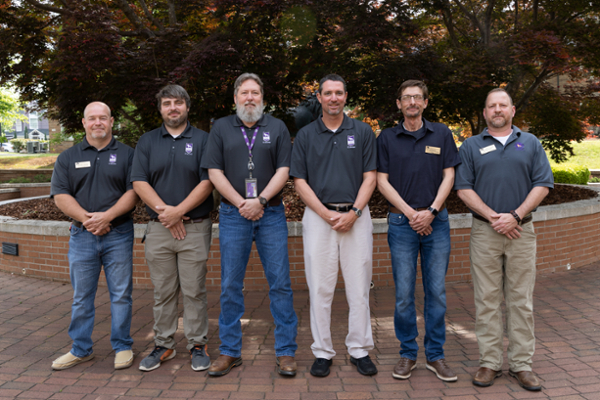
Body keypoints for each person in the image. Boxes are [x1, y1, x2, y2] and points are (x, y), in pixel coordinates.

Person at [455, 88, 553, 391]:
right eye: (491, 106)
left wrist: (516, 216)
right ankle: (490, 362)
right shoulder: (470, 146)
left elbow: (543, 184)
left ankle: (522, 364)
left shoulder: (530, 142)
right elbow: (463, 188)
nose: (497, 110)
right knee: (486, 300)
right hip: (485, 232)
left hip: (521, 231)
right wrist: (495, 218)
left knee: (521, 300)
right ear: (485, 113)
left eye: (502, 105)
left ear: (512, 110)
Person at [202, 73, 298, 377]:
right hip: (234, 215)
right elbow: (214, 171)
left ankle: (286, 351)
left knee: (280, 284)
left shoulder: (277, 127)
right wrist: (242, 203)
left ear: (263, 98)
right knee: (230, 284)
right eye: (244, 93)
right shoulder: (221, 128)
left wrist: (262, 200)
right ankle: (230, 351)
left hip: (271, 214)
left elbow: (284, 169)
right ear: (235, 98)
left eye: (255, 92)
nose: (250, 98)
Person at [290, 74, 378, 377]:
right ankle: (322, 351)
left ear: (346, 96)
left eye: (339, 93)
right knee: (320, 288)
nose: (333, 98)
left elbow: (370, 177)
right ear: (319, 97)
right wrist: (326, 215)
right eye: (327, 93)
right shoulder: (305, 135)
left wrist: (354, 212)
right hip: (319, 219)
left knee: (359, 288)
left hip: (356, 218)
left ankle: (359, 349)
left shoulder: (362, 131)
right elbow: (299, 181)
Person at [377, 80, 461, 381]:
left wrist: (432, 212)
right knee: (403, 294)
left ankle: (435, 356)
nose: (412, 102)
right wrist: (412, 214)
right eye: (406, 97)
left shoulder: (441, 133)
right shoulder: (387, 137)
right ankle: (408, 354)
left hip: (436, 223)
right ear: (399, 104)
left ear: (425, 102)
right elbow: (381, 180)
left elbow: (449, 175)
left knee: (436, 292)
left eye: (417, 97)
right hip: (402, 224)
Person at [131, 84, 214, 372]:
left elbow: (208, 181)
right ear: (160, 108)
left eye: (178, 102)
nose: (173, 108)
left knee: (194, 290)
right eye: (167, 103)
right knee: (163, 292)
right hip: (159, 229)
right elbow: (139, 181)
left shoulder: (204, 140)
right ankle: (163, 344)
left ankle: (197, 344)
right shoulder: (147, 141)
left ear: (187, 107)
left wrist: (178, 212)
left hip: (195, 228)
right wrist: (167, 214)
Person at [50, 102, 137, 370]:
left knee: (121, 294)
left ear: (111, 121)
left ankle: (122, 346)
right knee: (81, 296)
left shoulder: (128, 155)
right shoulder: (68, 157)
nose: (97, 122)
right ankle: (80, 349)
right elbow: (60, 194)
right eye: (92, 118)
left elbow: (134, 192)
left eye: (102, 118)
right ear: (84, 123)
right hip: (82, 235)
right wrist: (90, 220)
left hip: (119, 233)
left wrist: (107, 217)